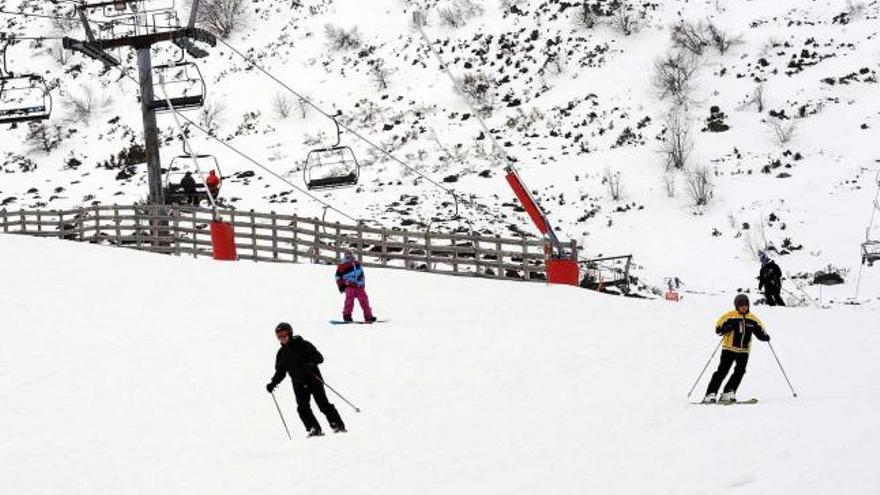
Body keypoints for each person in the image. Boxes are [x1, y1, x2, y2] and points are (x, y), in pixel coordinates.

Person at [265, 322, 346, 436]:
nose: (281, 338)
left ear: (290, 333)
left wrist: (310, 363)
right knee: (302, 408)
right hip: (298, 383)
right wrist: (273, 383)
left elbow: (319, 357)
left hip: (313, 379)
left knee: (323, 404)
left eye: (284, 334)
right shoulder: (282, 353)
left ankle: (337, 425)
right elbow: (280, 372)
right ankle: (314, 428)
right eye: (278, 336)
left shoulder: (303, 344)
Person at [703, 294, 770, 403]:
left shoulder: (753, 319)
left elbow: (760, 331)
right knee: (722, 371)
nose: (744, 307)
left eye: (746, 305)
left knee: (740, 371)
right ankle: (710, 393)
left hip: (744, 350)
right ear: (736, 306)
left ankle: (728, 392)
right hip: (729, 348)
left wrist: (764, 337)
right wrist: (726, 328)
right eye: (741, 305)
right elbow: (718, 329)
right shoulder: (730, 316)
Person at [335, 250, 376, 323]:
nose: (348, 256)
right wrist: (341, 285)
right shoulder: (342, 265)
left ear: (352, 255)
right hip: (349, 285)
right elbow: (338, 276)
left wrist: (362, 284)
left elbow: (362, 274)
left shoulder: (357, 263)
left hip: (358, 286)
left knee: (364, 300)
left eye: (349, 254)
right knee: (349, 301)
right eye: (346, 255)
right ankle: (347, 316)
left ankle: (369, 316)